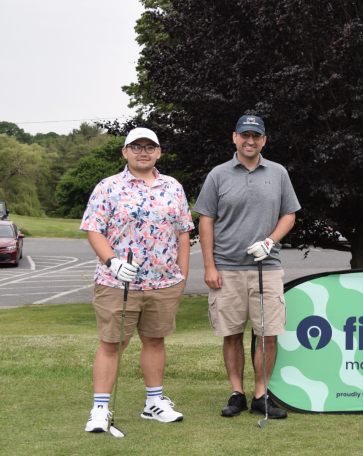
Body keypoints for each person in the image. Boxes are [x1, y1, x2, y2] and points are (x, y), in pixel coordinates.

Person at [82, 127, 193, 432]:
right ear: (125, 152)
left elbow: (183, 231)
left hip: (163, 282)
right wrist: (112, 261)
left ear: (158, 152)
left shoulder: (173, 187)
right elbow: (94, 229)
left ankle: (153, 403)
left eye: (149, 147)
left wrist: (181, 276)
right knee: (112, 343)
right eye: (136, 147)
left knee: (155, 341)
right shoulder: (108, 187)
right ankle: (100, 409)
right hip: (117, 282)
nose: (142, 152)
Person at [195, 115, 300, 419]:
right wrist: (209, 267)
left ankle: (260, 395)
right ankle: (237, 393)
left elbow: (289, 215)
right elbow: (206, 221)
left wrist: (269, 242)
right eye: (245, 136)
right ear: (235, 138)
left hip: (266, 268)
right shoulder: (218, 175)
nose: (250, 141)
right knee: (231, 334)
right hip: (226, 268)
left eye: (256, 136)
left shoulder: (278, 173)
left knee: (268, 334)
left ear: (264, 140)